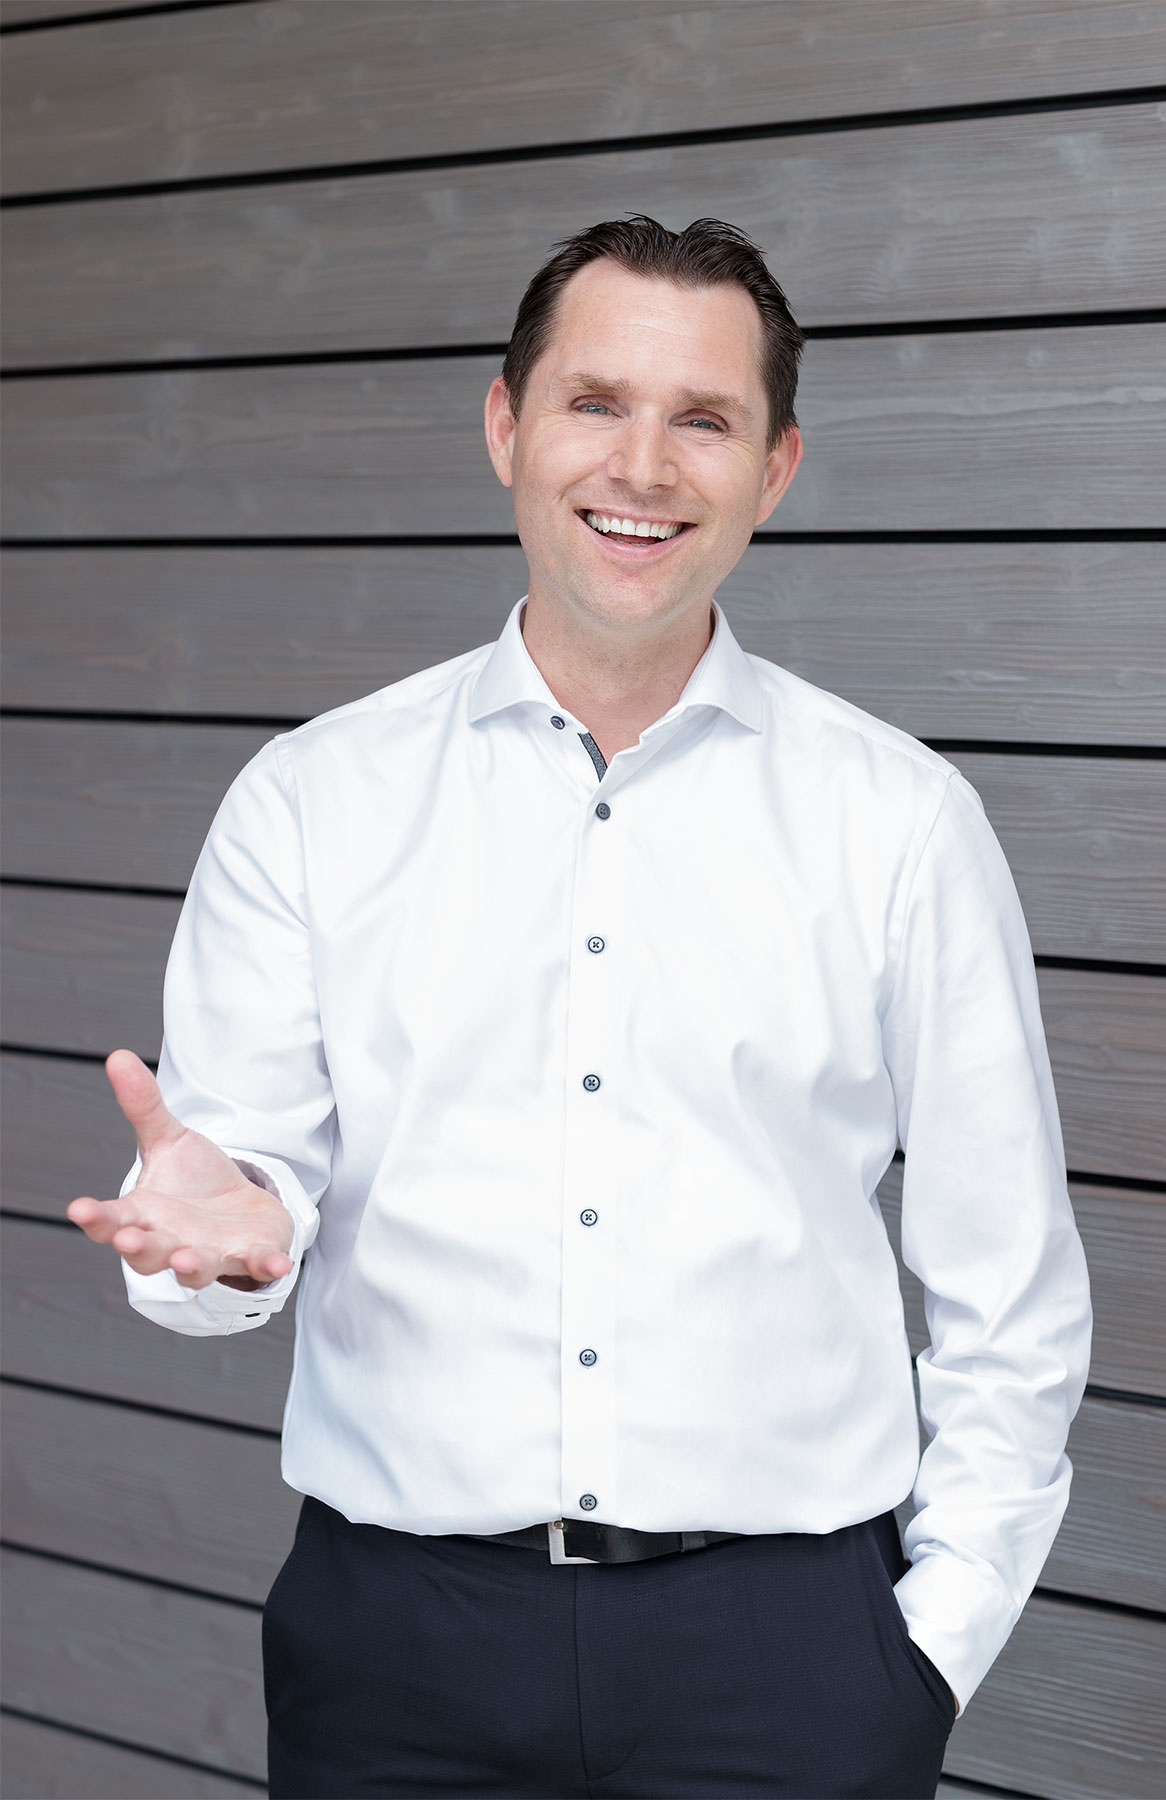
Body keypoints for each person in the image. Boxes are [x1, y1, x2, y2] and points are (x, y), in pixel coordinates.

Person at [67, 215, 1091, 1800]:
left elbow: (1007, 1289)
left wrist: (922, 1655)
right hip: (397, 1652)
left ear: (777, 468)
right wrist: (224, 1243)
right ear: (506, 426)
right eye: (595, 402)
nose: (643, 466)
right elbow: (228, 1218)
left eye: (705, 419)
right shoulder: (312, 801)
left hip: (789, 1662)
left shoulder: (901, 823)